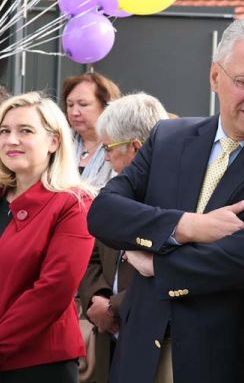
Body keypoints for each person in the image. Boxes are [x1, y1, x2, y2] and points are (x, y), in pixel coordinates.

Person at [88, 16, 244, 383]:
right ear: (215, 77)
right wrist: (185, 226)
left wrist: (158, 264)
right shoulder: (168, 138)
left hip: (223, 361)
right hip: (140, 352)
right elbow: (104, 213)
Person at [0, 92, 96, 382]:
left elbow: (53, 290)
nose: (11, 140)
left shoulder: (73, 203)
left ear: (54, 141)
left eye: (25, 131)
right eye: (4, 131)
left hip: (37, 365)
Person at [79, 92, 169, 383]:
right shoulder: (115, 195)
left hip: (152, 340)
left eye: (108, 147)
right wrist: (97, 298)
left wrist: (114, 306)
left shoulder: (177, 199)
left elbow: (174, 271)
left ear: (136, 147)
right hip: (109, 339)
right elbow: (92, 253)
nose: (105, 157)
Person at [62, 72, 121, 188]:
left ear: (106, 106)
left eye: (83, 104)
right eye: (70, 105)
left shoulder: (121, 146)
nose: (74, 112)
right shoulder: (59, 142)